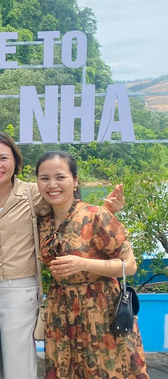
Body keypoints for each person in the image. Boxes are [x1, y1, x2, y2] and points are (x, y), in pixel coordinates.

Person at [0, 132, 124, 379]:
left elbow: (71, 212)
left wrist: (106, 211)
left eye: (3, 158)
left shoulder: (34, 193)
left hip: (21, 289)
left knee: (17, 360)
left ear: (15, 162)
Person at [36, 151, 148, 379]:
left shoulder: (96, 215)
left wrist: (82, 264)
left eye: (60, 177)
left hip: (101, 310)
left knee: (107, 370)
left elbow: (130, 265)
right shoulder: (43, 222)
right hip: (61, 311)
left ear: (75, 180)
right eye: (44, 178)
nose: (52, 185)